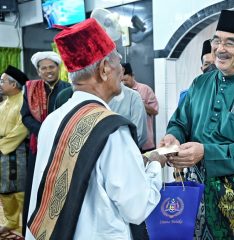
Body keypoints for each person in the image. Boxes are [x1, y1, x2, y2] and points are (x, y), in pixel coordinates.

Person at [26, 18, 165, 240]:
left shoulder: (52, 120)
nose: (122, 71)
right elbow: (137, 207)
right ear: (103, 70)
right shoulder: (111, 129)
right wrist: (156, 165)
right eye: (118, 63)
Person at [161, 10, 234, 239]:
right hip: (196, 188)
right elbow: (179, 122)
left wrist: (206, 152)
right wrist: (172, 137)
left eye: (230, 43)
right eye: (217, 40)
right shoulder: (200, 83)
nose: (220, 48)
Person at [20, 50, 70, 235]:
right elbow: (25, 116)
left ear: (58, 68)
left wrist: (55, 134)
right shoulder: (30, 89)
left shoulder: (68, 89)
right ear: (38, 71)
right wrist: (43, 132)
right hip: (37, 147)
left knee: (59, 185)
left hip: (61, 146)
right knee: (35, 186)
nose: (48, 71)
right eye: (44, 68)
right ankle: (31, 229)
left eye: (51, 67)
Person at [0, 66, 28, 234]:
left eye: (2, 81)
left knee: (19, 189)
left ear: (14, 84)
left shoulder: (24, 102)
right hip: (2, 153)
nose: (0, 84)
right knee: (4, 189)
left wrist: (2, 146)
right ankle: (11, 222)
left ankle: (26, 224)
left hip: (17, 154)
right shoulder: (3, 104)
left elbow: (22, 129)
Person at [122, 63, 158, 152]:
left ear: (132, 75)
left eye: (126, 80)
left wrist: (139, 103)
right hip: (127, 143)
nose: (124, 83)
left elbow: (155, 111)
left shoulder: (145, 89)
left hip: (146, 143)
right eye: (121, 80)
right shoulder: (119, 92)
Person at [109, 81, 148, 149]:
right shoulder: (93, 96)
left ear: (121, 72)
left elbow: (139, 134)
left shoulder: (133, 96)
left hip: (126, 152)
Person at [178, 39, 216, 106]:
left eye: (215, 63)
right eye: (207, 64)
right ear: (202, 69)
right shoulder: (188, 96)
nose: (212, 67)